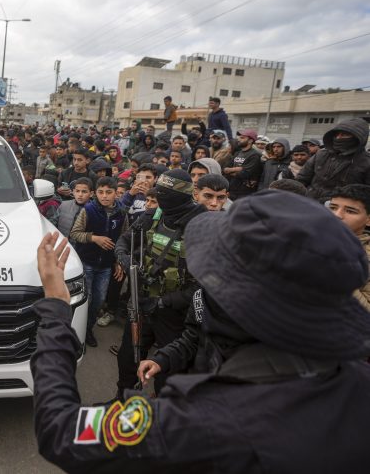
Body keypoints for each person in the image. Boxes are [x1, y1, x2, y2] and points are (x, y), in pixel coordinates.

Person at [30, 190, 370, 472]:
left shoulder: (199, 420)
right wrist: (166, 357)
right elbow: (195, 332)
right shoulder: (354, 382)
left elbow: (61, 429)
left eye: (215, 274)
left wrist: (57, 309)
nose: (205, 282)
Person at [113, 170, 207, 395]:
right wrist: (125, 260)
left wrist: (164, 302)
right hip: (142, 302)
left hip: (176, 314)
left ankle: (162, 415)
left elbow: (203, 284)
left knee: (167, 371)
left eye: (167, 193)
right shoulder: (153, 216)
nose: (161, 198)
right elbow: (124, 241)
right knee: (128, 358)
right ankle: (121, 402)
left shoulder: (201, 227)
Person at [69, 176, 126, 348]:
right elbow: (74, 233)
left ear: (116, 194)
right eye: (101, 192)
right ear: (96, 194)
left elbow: (124, 238)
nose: (104, 196)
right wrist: (94, 238)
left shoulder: (122, 213)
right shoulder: (88, 210)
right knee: (85, 299)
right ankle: (76, 332)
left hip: (106, 266)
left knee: (99, 300)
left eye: (109, 192)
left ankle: (87, 329)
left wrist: (118, 261)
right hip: (86, 262)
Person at [297, 118, 370, 202]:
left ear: (358, 137)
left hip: (340, 210)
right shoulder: (320, 155)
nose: (338, 138)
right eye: (337, 135)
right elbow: (301, 180)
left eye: (344, 134)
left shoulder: (366, 162)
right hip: (309, 204)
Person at [325, 184, 370, 311]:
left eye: (350, 211)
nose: (337, 215)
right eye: (333, 208)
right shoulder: (304, 238)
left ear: (368, 220)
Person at [222, 129, 262, 200]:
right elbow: (224, 169)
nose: (239, 139)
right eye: (239, 137)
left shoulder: (255, 155)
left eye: (242, 138)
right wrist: (239, 169)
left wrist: (230, 171)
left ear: (250, 140)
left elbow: (245, 174)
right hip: (231, 189)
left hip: (244, 193)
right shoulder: (237, 153)